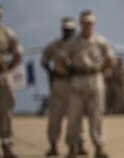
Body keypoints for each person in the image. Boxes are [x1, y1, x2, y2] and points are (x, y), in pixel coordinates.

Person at [62, 11, 114, 158]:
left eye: (90, 23)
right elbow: (61, 59)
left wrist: (101, 71)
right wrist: (70, 72)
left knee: (96, 116)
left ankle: (98, 147)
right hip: (77, 81)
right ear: (81, 24)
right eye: (85, 23)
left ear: (93, 24)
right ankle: (73, 147)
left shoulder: (100, 41)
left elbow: (110, 59)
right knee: (73, 116)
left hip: (95, 79)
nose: (87, 26)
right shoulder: (72, 42)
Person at [41, 18, 84, 157]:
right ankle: (53, 144)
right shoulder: (54, 46)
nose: (68, 32)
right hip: (59, 83)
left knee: (75, 116)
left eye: (70, 30)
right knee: (55, 115)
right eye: (66, 30)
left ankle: (76, 145)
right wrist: (51, 72)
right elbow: (44, 60)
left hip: (75, 83)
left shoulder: (80, 46)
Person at [0, 5, 21, 158]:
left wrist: (8, 69)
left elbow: (17, 54)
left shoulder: (7, 34)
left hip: (3, 76)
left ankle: (8, 147)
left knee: (6, 111)